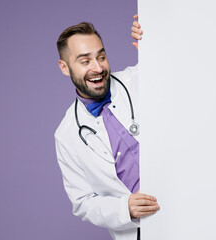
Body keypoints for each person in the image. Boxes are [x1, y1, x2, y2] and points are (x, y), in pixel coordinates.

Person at [54, 15, 159, 240]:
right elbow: (82, 203)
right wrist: (125, 209)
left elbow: (178, 71)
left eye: (101, 56)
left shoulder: (141, 78)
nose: (98, 67)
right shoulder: (66, 135)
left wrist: (156, 40)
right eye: (85, 61)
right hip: (139, 231)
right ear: (65, 67)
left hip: (187, 206)